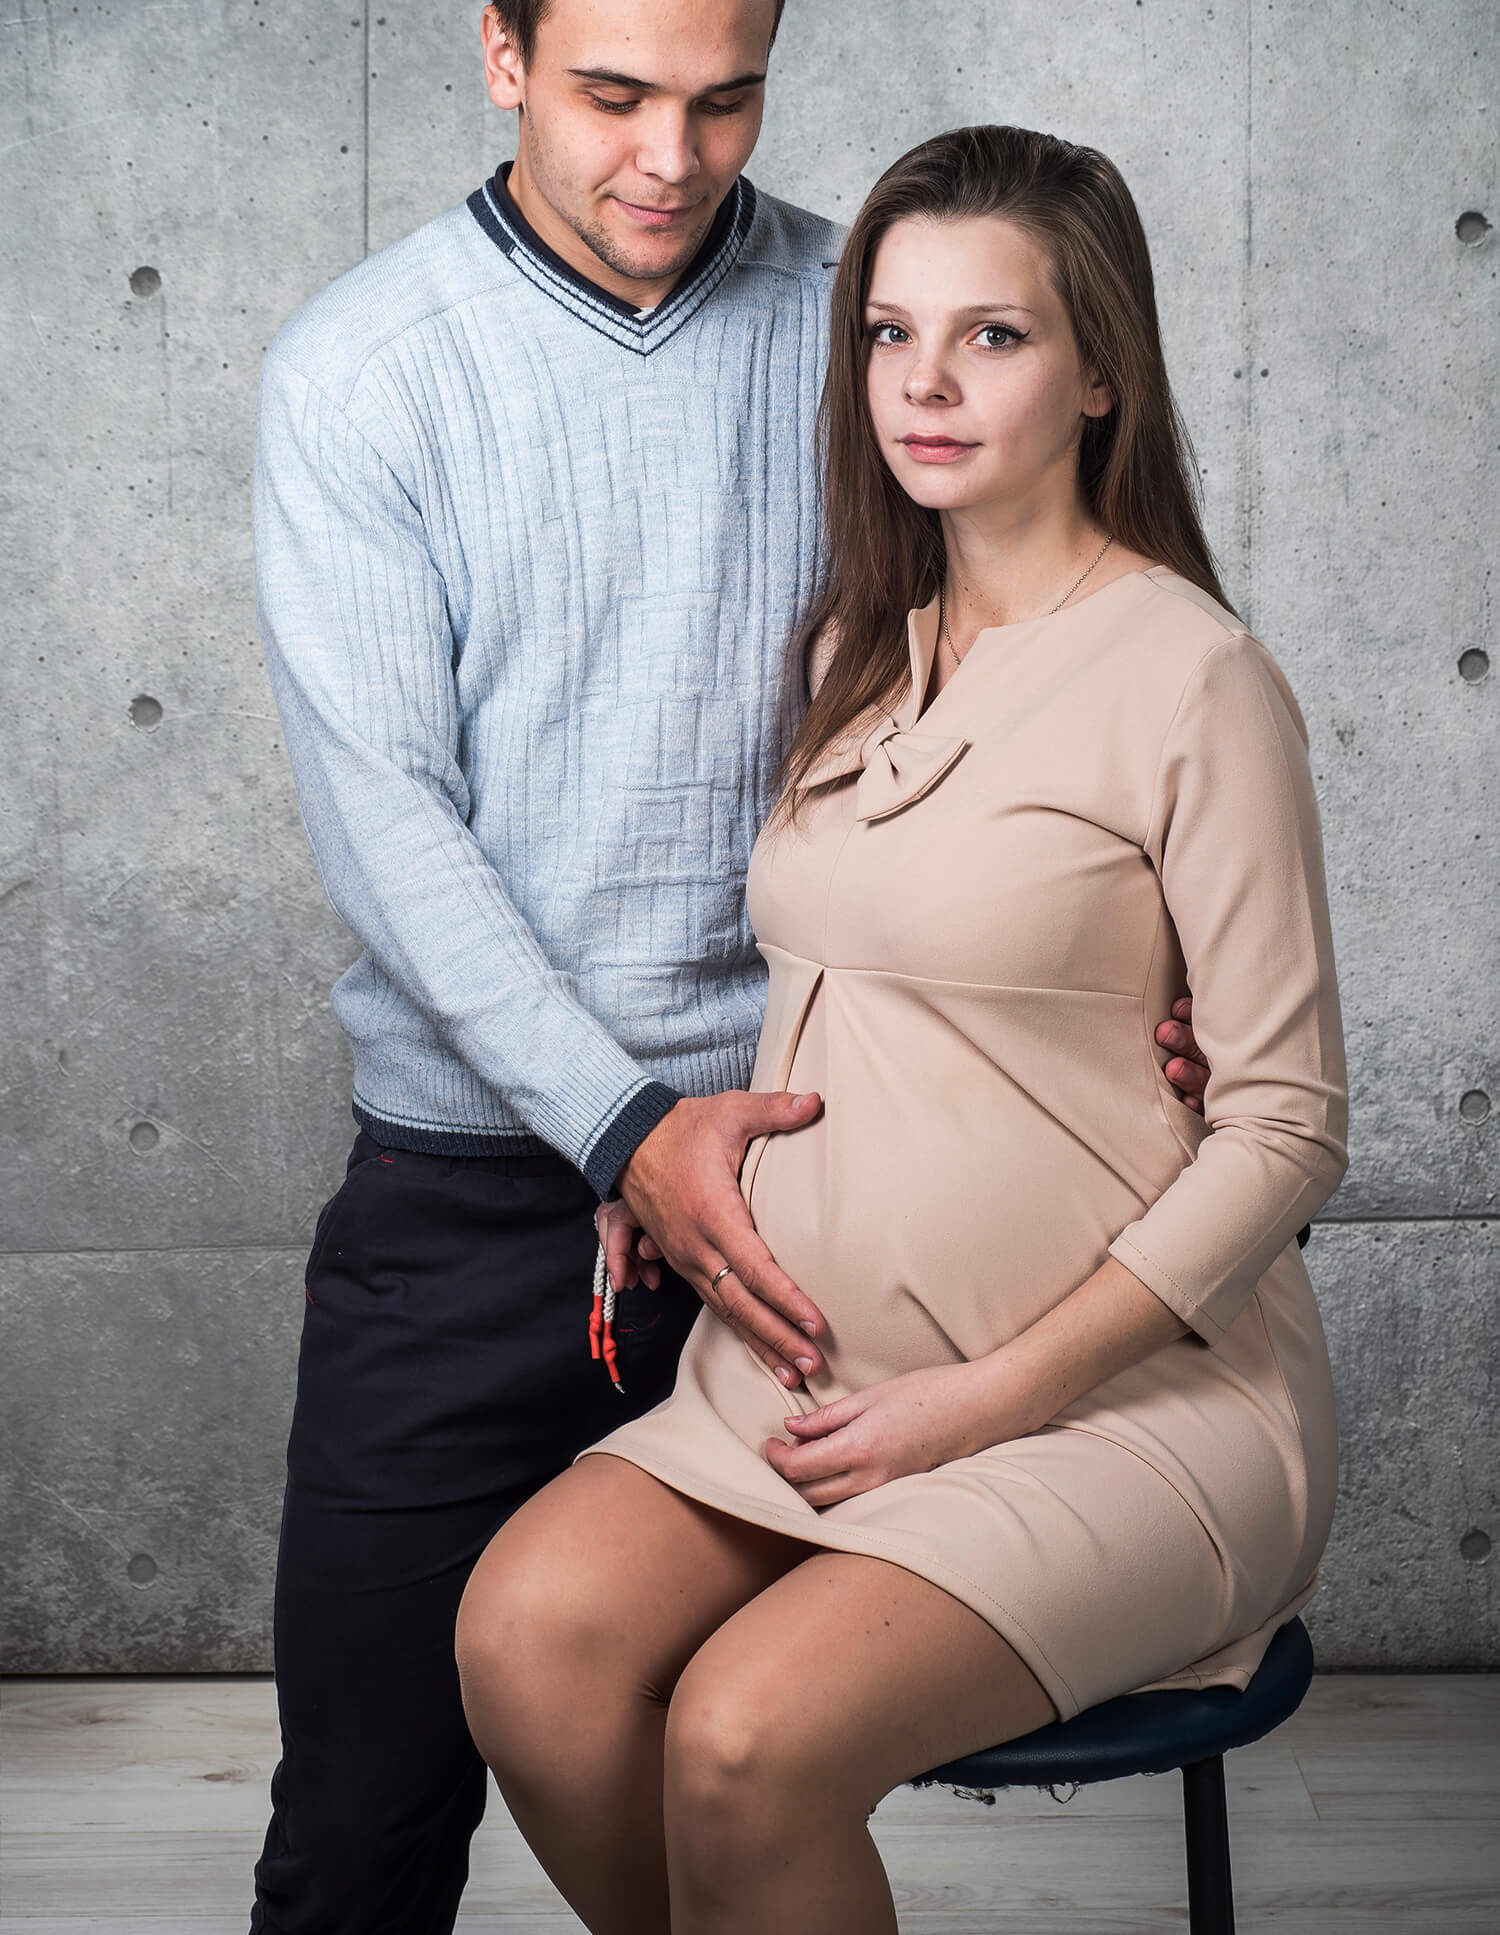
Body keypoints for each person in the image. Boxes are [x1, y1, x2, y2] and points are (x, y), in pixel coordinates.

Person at [250, 0, 1209, 1931]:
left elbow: (1056, 649)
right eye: (611, 92)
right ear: (500, 55)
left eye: (725, 92)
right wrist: (622, 1128)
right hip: (483, 1190)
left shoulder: (869, 331)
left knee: (743, 1746)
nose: (671, 154)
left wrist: (1146, 950)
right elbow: (388, 818)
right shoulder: (361, 375)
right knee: (361, 1825)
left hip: (835, 1170)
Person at [454, 123, 1347, 1935]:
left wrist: (989, 1401)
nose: (923, 382)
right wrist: (686, 1148)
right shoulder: (855, 649)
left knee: (744, 1739)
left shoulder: (1194, 679)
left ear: (1103, 371)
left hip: (1107, 1413)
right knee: (523, 1642)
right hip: (805, 1383)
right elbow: (852, 988)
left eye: (994, 337)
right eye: (886, 330)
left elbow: (1286, 1123)